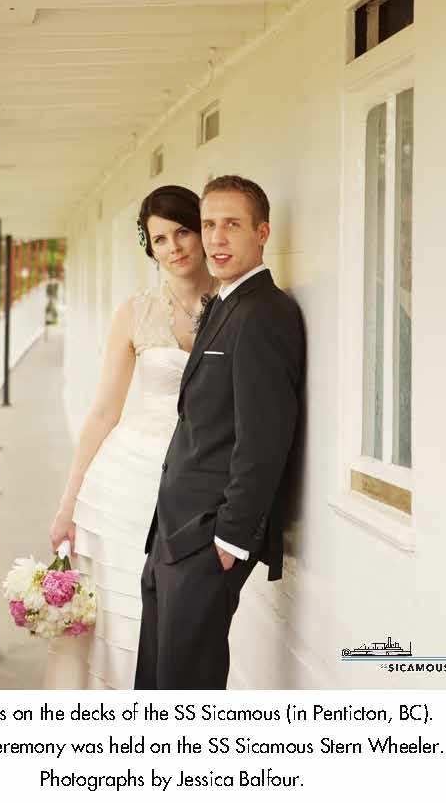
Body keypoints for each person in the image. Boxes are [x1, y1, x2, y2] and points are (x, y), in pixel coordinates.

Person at [134, 174, 305, 690]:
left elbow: (264, 437)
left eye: (232, 224)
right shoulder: (226, 302)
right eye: (208, 225)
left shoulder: (265, 313)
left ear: (262, 232)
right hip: (172, 532)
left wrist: (230, 537)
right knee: (156, 682)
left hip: (208, 539)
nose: (216, 238)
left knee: (186, 688)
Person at [47, 185, 217, 689]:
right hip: (124, 487)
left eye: (183, 232)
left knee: (176, 625)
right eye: (159, 239)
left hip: (195, 483)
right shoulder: (135, 313)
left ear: (201, 231)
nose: (174, 248)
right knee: (121, 622)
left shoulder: (233, 306)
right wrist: (67, 504)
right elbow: (104, 412)